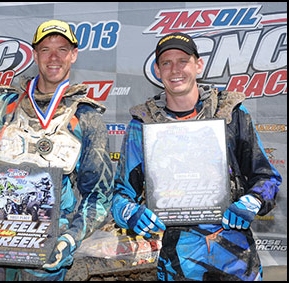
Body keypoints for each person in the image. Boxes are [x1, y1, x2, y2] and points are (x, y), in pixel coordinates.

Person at [111, 32, 282, 281]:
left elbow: (267, 179)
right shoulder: (143, 124)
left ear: (198, 65)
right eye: (166, 63)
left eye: (183, 60)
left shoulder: (231, 113)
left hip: (236, 261)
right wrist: (131, 213)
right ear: (157, 71)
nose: (175, 70)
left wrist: (252, 201)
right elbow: (120, 196)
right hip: (176, 263)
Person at [0, 19, 113, 280]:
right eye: (45, 49)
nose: (54, 57)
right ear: (34, 54)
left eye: (62, 49)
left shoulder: (86, 118)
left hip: (49, 250)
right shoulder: (2, 107)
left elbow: (98, 196)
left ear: (73, 55)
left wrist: (70, 239)